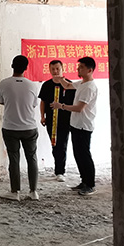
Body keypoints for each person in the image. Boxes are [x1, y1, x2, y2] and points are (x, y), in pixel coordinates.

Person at [51, 56, 98, 196]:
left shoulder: (89, 87)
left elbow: (79, 108)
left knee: (84, 155)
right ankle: (84, 181)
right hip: (76, 125)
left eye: (81, 67)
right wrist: (60, 78)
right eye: (78, 67)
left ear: (90, 70)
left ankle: (90, 184)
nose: (78, 69)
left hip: (84, 125)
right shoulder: (82, 83)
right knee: (78, 154)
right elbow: (67, 85)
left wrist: (61, 106)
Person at [0, 55, 39, 201]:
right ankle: (33, 191)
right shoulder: (32, 85)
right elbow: (33, 104)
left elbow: (0, 100)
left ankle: (15, 192)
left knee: (14, 159)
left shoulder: (4, 84)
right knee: (32, 158)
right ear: (26, 68)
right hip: (30, 127)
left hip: (10, 128)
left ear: (12, 66)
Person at [38, 60, 75, 182]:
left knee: (62, 145)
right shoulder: (46, 85)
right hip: (50, 120)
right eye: (53, 69)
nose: (55, 71)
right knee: (54, 144)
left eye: (57, 69)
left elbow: (74, 104)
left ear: (62, 69)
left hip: (65, 120)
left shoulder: (69, 85)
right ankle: (57, 168)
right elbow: (43, 102)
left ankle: (60, 171)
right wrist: (42, 116)